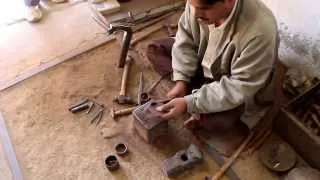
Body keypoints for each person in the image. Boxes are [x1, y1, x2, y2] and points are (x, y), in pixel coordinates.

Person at [151, 0, 279, 132]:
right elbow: (185, 40)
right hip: (203, 64)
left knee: (218, 123)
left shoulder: (260, 31)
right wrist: (181, 80)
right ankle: (194, 93)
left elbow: (240, 86)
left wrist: (189, 103)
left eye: (203, 8)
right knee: (155, 50)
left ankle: (198, 99)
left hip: (231, 82)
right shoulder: (197, 7)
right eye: (191, 4)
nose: (195, 15)